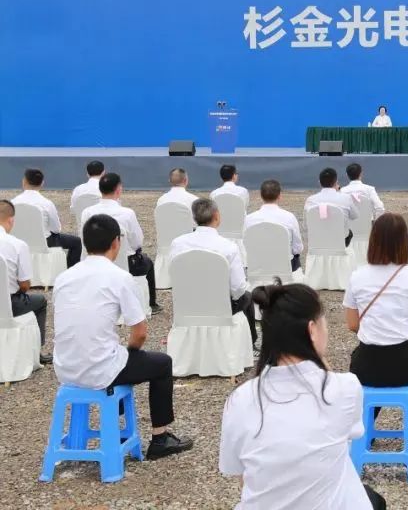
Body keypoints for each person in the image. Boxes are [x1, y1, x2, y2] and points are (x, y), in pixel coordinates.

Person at [220, 282, 385, 510]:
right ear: (312, 330)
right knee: (368, 496)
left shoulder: (240, 399)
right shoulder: (345, 388)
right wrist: (319, 360)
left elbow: (241, 476)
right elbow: (349, 435)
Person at [53, 214, 193, 459]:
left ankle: (110, 423)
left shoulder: (64, 278)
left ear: (85, 243)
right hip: (100, 369)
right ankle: (160, 438)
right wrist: (130, 351)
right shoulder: (119, 277)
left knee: (117, 356)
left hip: (65, 367)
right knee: (161, 363)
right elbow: (140, 333)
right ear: (116, 242)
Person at [345, 214, 408, 414]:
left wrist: (376, 332)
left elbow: (352, 324)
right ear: (404, 243)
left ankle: (366, 427)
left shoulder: (357, 276)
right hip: (406, 364)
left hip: (367, 364)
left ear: (373, 241)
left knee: (368, 379)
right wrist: (403, 336)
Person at [170, 199, 257, 350]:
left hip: (187, 305)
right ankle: (250, 344)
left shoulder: (178, 244)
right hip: (221, 308)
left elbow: (174, 274)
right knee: (247, 296)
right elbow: (238, 289)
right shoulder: (228, 247)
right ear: (217, 216)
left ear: (194, 218)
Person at [81, 173, 161, 313]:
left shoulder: (87, 212)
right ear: (118, 190)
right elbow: (137, 242)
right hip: (127, 264)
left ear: (100, 189)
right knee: (147, 262)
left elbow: (83, 238)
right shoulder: (127, 213)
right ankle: (151, 304)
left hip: (94, 262)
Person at [0, 200, 48, 363]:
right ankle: (36, 353)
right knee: (40, 301)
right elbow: (25, 285)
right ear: (11, 220)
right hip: (7, 305)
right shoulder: (18, 245)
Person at [12, 168, 82, 268]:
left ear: (24, 181)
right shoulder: (47, 203)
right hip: (44, 242)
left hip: (18, 241)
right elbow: (56, 229)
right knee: (77, 242)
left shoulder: (13, 202)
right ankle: (69, 274)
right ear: (42, 183)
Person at [245, 179, 303, 272]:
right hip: (284, 268)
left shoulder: (249, 219)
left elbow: (245, 246)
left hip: (257, 268)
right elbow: (297, 249)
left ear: (261, 196)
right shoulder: (289, 217)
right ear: (279, 196)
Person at [304, 168, 359, 246]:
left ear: (319, 183)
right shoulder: (346, 198)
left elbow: (306, 224)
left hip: (318, 242)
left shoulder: (310, 200)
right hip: (341, 242)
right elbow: (355, 216)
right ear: (336, 182)